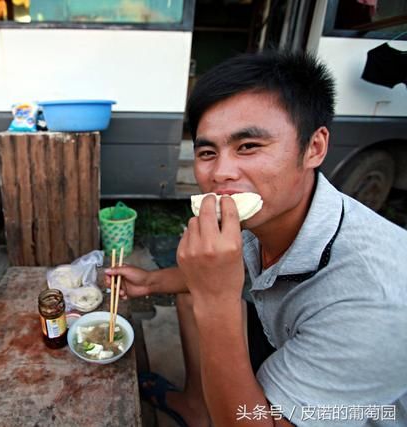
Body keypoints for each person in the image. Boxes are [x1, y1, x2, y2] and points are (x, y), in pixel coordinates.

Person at [107, 51, 407, 426]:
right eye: (207, 152)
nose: (221, 173)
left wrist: (217, 302)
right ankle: (198, 407)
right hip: (281, 333)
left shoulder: (374, 300)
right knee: (191, 295)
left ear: (314, 147)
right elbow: (207, 276)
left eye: (248, 146)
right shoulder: (269, 214)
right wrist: (151, 281)